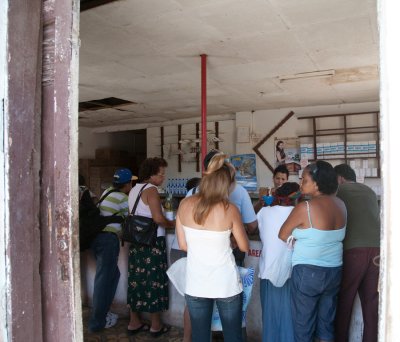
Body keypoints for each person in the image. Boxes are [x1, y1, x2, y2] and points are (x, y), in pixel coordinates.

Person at [175, 153, 249, 342]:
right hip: (226, 283)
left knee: (200, 336)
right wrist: (228, 240)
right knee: (233, 335)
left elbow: (183, 246)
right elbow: (244, 246)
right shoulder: (230, 209)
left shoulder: (184, 204)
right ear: (227, 184)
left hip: (196, 282)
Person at [278, 160, 347, 342]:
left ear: (317, 184)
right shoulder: (341, 205)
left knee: (303, 328)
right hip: (334, 270)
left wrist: (297, 239)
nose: (301, 184)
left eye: (304, 180)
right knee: (326, 327)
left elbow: (283, 234)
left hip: (308, 272)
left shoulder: (305, 207)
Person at [127, 157, 175, 337]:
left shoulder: (134, 190)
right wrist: (174, 223)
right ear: (151, 174)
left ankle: (134, 321)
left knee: (136, 281)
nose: (163, 177)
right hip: (153, 243)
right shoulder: (152, 190)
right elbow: (158, 219)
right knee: (154, 281)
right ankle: (156, 325)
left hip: (137, 242)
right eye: (160, 174)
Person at [334, 164, 380, 342]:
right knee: (371, 303)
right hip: (377, 250)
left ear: (339, 178)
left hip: (354, 251)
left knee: (345, 300)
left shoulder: (339, 192)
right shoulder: (369, 191)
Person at [89, 168, 135, 332]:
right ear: (128, 184)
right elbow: (131, 218)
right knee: (104, 281)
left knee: (112, 276)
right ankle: (97, 322)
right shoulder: (123, 198)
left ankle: (102, 313)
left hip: (97, 239)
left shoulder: (107, 192)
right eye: (131, 182)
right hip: (108, 241)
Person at [257, 182, 299, 342]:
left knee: (270, 317)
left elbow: (253, 227)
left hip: (268, 270)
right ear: (296, 197)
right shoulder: (300, 211)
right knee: (290, 316)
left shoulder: (264, 212)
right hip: (291, 271)